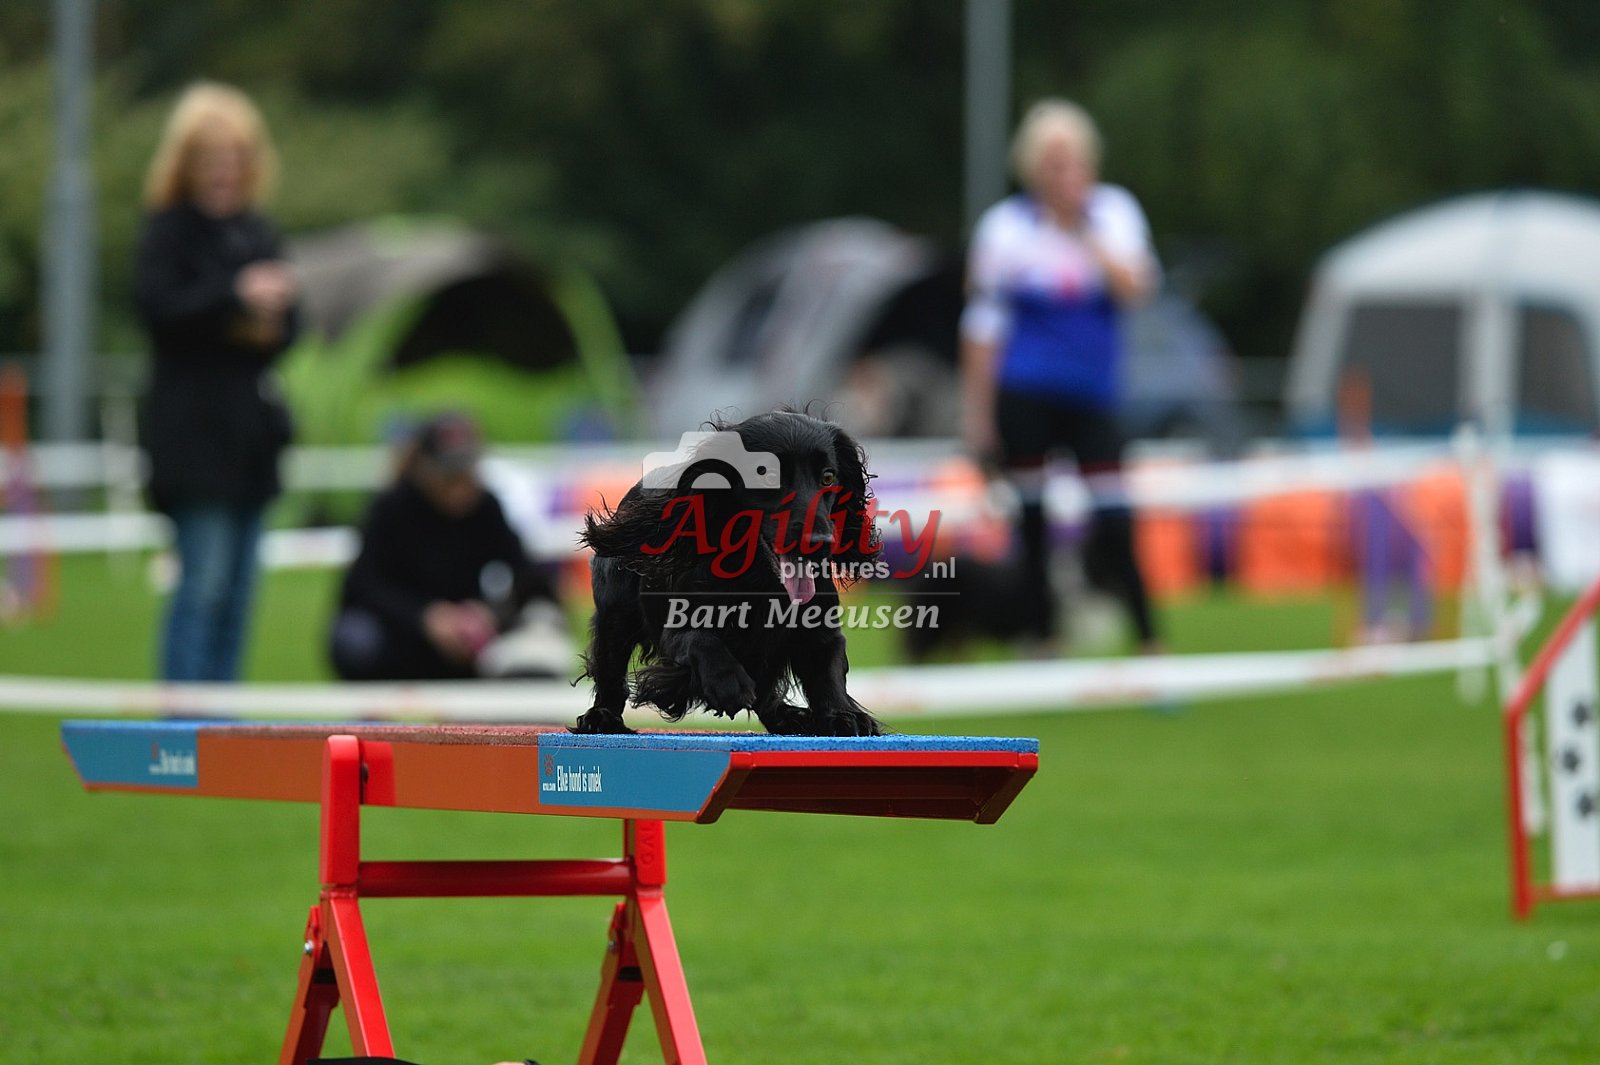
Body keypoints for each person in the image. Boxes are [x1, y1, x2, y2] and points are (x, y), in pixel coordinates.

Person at [960, 98, 1162, 653]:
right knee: (1030, 520)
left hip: (1093, 393)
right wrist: (977, 417)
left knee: (1115, 516)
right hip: (1025, 392)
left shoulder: (1115, 214)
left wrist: (1083, 229)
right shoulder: (1005, 228)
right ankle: (1041, 636)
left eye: (1072, 162)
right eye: (1052, 164)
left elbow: (1137, 289)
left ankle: (1149, 639)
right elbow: (982, 326)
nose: (1064, 175)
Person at [134, 82, 299, 682]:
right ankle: (184, 719)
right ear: (185, 164)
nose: (224, 171)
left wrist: (269, 317)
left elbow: (288, 332)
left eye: (234, 158)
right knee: (201, 586)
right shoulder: (167, 233)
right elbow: (160, 312)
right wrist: (236, 296)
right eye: (211, 159)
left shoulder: (259, 232)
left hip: (251, 444)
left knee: (238, 597)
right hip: (192, 443)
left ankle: (224, 717)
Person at [328, 413, 574, 681]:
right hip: (401, 634)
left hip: (467, 638)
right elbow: (363, 584)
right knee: (357, 638)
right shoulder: (392, 508)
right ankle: (376, 704)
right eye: (450, 475)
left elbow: (525, 572)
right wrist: (426, 617)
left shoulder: (485, 508)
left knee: (538, 627)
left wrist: (487, 612)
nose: (462, 485)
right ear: (424, 468)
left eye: (467, 472)